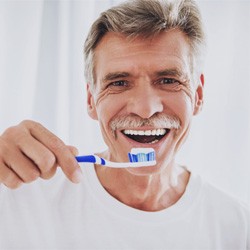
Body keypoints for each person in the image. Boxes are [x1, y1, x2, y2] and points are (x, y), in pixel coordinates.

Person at [0, 0, 249, 249]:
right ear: (91, 100)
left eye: (168, 79)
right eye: (118, 83)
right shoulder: (21, 197)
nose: (145, 108)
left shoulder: (237, 227)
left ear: (198, 95)